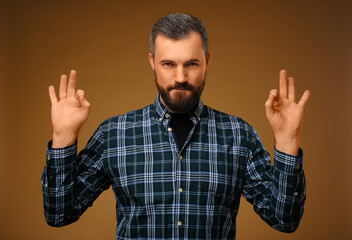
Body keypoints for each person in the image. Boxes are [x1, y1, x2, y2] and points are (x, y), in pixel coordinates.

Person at [42, 13, 310, 239]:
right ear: (152, 62)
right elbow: (59, 214)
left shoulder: (238, 135)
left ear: (207, 62)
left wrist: (287, 139)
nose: (180, 77)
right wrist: (63, 137)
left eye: (191, 64)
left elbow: (284, 220)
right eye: (168, 64)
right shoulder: (114, 134)